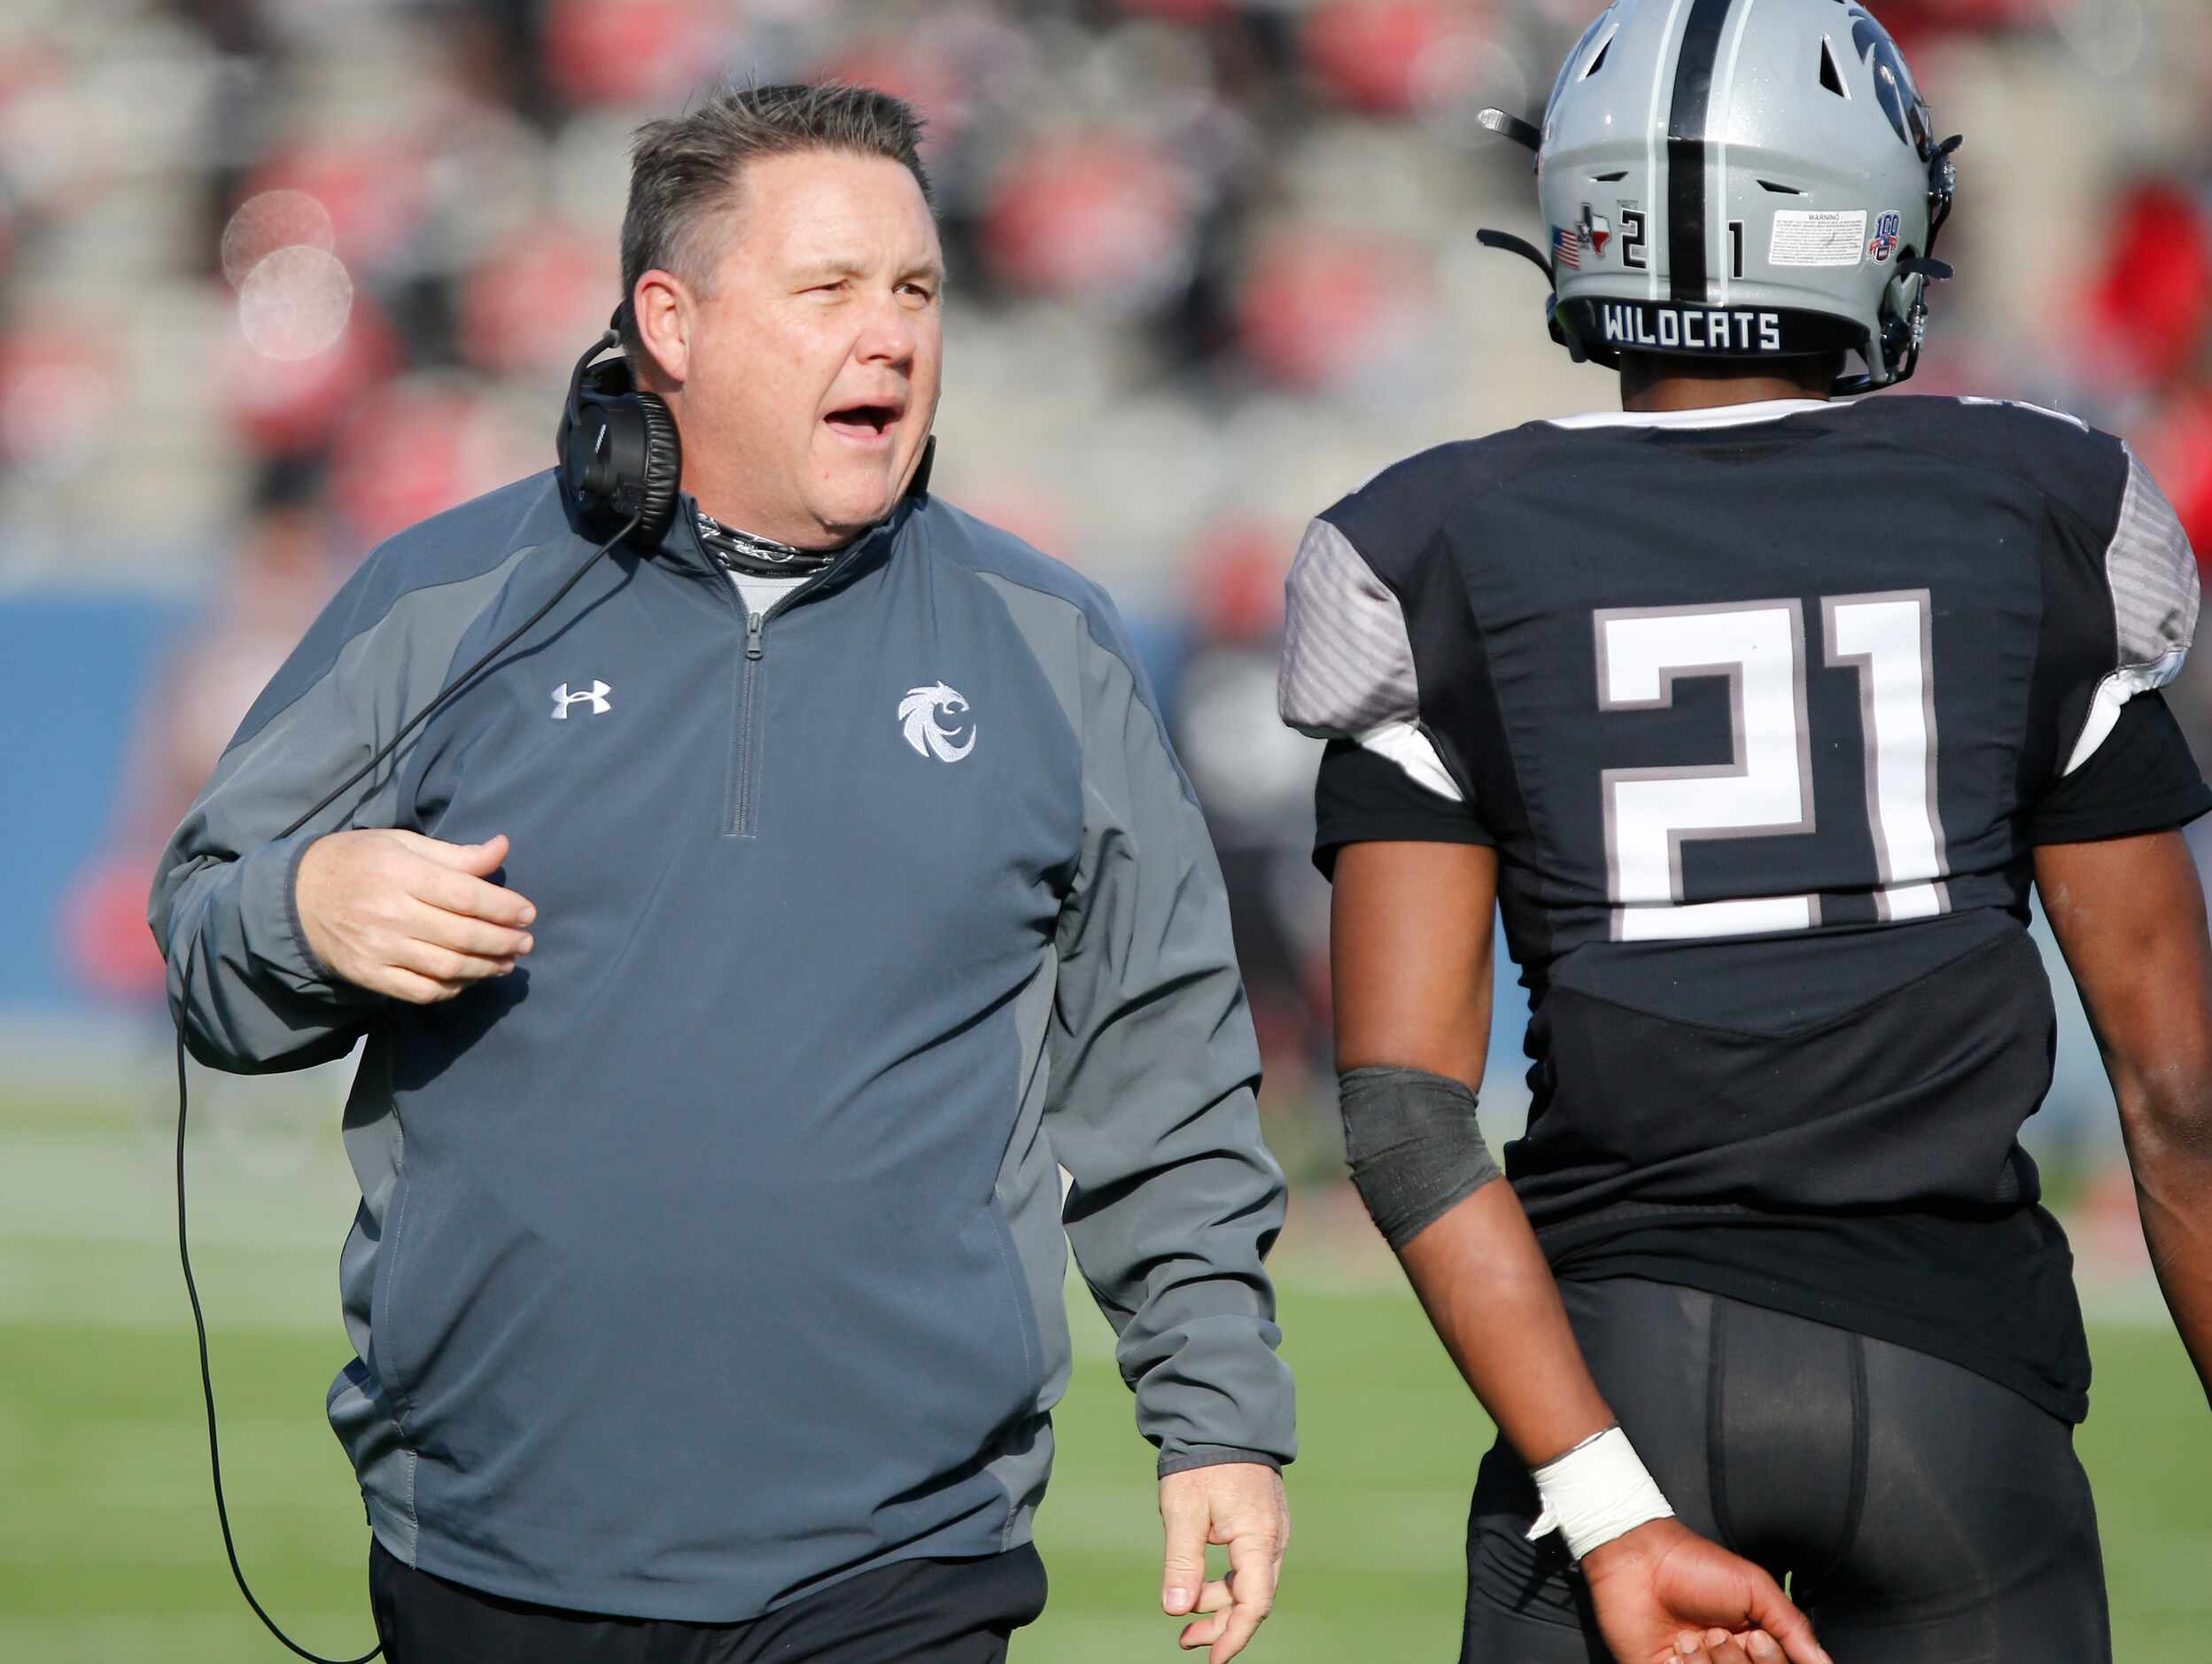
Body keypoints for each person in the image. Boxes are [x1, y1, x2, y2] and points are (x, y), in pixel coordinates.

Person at [151, 83, 1292, 1664]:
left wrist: (1219, 1415)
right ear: (668, 323)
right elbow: (207, 935)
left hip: (900, 1558)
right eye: (827, 289)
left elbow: (1161, 1075)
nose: (888, 335)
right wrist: (306, 907)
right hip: (493, 1539)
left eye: (914, 290)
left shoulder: (1052, 646)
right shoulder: (444, 598)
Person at [1278, 2, 2212, 1661]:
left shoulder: (1426, 540)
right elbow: (2180, 1099)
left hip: (1615, 1373)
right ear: (1851, 210)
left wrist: (1605, 1495)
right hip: (1960, 1390)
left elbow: (1410, 1124)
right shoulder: (2043, 504)